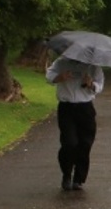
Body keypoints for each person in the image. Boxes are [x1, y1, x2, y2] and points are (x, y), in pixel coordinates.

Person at [45, 56, 105, 191]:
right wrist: (59, 78)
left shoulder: (93, 67)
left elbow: (100, 85)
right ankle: (66, 174)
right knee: (69, 143)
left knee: (85, 144)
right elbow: (49, 76)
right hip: (67, 108)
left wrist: (91, 84)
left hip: (85, 108)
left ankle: (79, 179)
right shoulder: (61, 62)